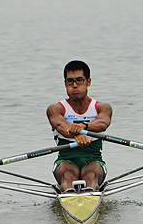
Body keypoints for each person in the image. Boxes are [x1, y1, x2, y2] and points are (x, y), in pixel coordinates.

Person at [47, 60, 112, 193]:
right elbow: (60, 126)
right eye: (70, 81)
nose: (74, 85)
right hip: (65, 160)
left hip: (94, 160)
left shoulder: (102, 107)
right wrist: (75, 133)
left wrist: (83, 126)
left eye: (79, 80)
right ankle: (70, 198)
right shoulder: (56, 108)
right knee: (68, 176)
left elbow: (103, 124)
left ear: (88, 82)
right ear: (65, 84)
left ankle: (89, 197)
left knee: (90, 176)